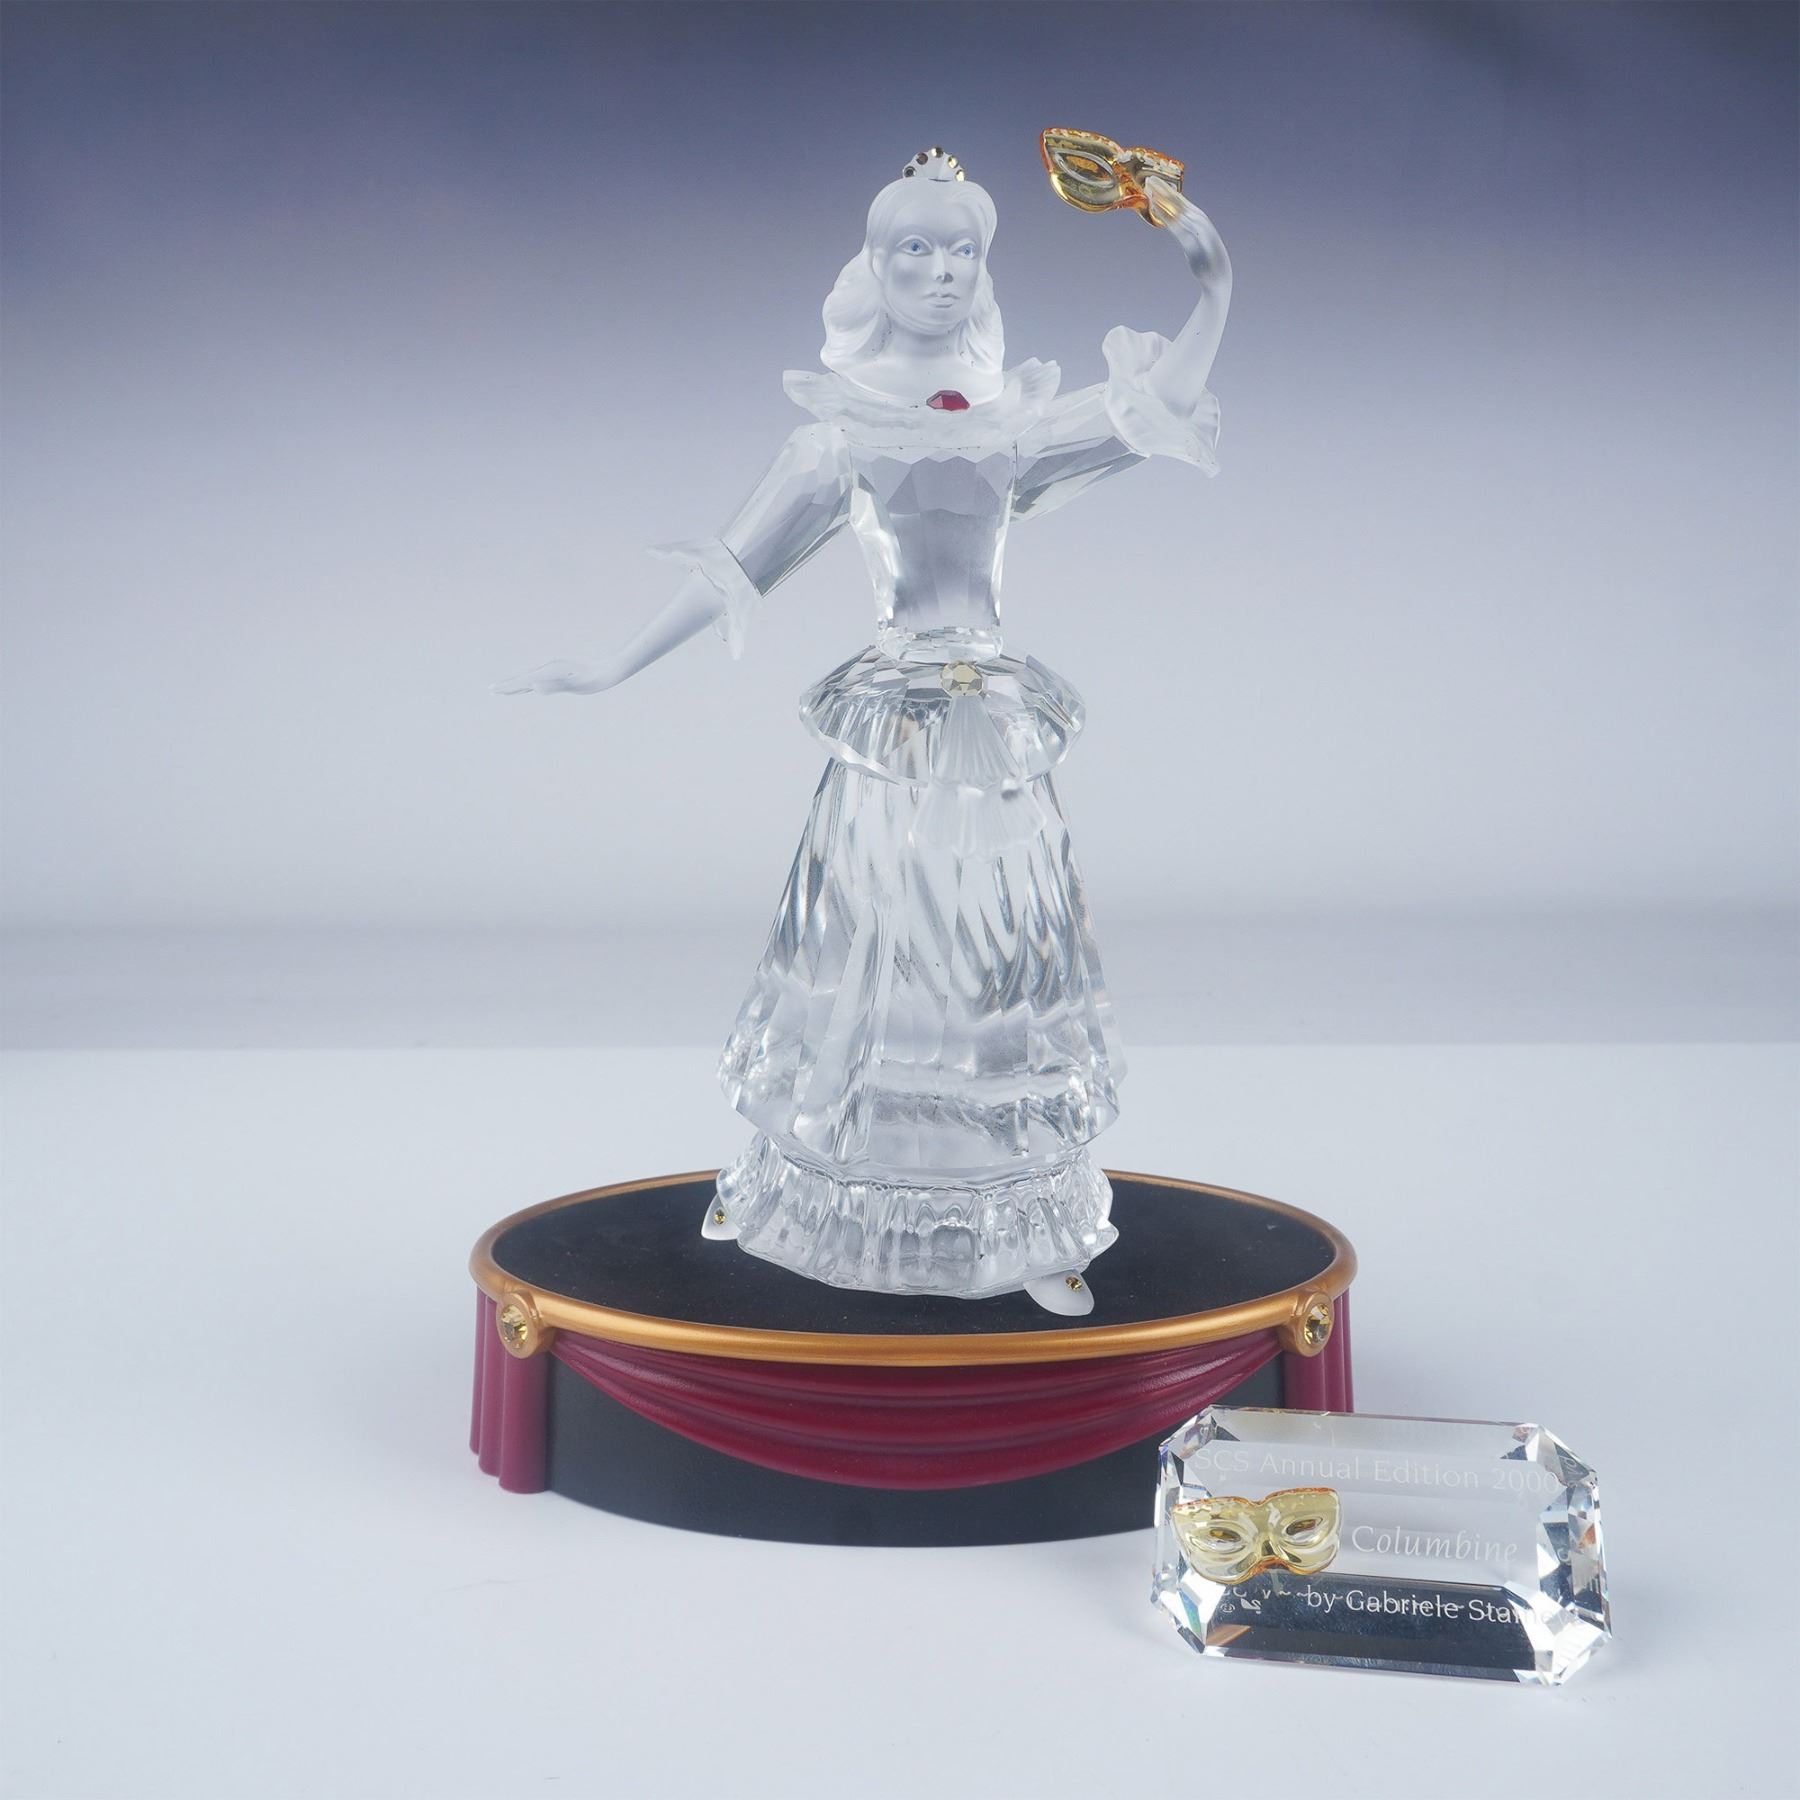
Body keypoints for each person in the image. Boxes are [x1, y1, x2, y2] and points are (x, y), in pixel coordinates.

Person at [499, 146, 1230, 1312]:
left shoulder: (1007, 423)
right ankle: (789, 1185)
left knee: (997, 957)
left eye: (962, 251)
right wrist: (612, 666)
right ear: (874, 268)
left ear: (983, 269)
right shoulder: (837, 437)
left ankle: (1023, 1221)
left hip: (988, 724)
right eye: (915, 250)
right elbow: (737, 564)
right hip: (893, 726)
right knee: (857, 961)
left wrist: (1213, 281)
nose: (941, 271)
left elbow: (1151, 412)